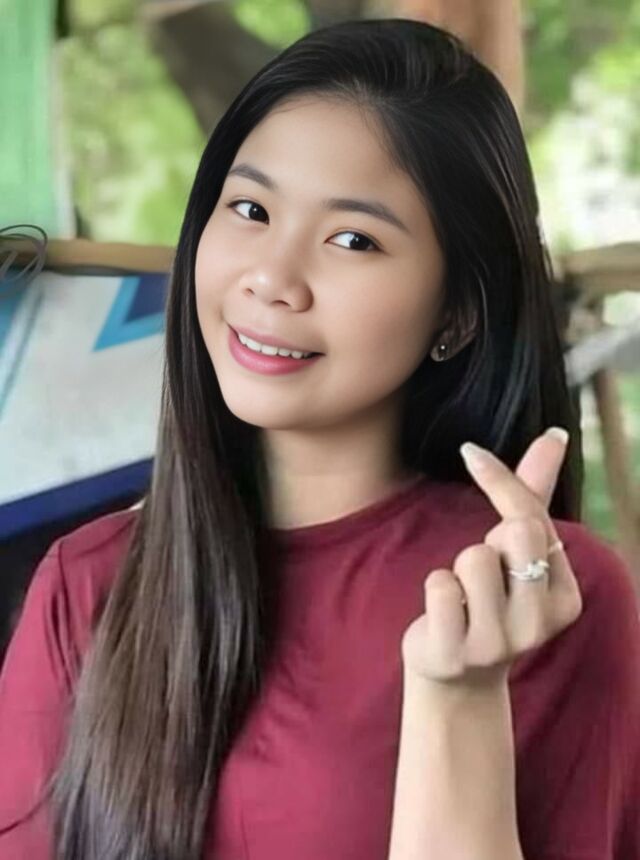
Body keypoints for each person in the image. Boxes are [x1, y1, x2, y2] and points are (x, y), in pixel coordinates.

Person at [0, 17, 638, 860]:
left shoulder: (542, 595)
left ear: (457, 312)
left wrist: (457, 698)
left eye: (353, 239)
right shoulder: (86, 585)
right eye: (250, 209)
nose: (272, 277)